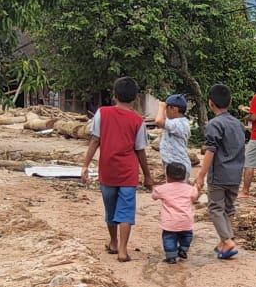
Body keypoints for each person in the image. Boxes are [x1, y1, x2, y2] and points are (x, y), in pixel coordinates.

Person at [80, 76, 153, 263]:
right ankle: (122, 250)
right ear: (136, 98)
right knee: (126, 211)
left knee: (110, 209)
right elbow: (140, 151)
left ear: (114, 95)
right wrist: (147, 175)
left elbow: (95, 140)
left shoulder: (102, 113)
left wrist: (85, 165)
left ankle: (113, 242)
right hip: (128, 172)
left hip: (107, 170)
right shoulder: (138, 121)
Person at [193, 84, 246, 260]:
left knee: (215, 208)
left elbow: (211, 150)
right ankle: (225, 243)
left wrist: (201, 175)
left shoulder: (214, 124)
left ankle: (227, 240)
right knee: (228, 208)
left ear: (210, 103)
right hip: (236, 173)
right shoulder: (238, 124)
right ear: (230, 102)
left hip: (219, 174)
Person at [151, 161, 198, 263]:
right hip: (185, 220)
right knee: (187, 236)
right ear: (185, 176)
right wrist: (195, 186)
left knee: (169, 238)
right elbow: (195, 196)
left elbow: (154, 196)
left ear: (167, 176)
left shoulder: (162, 189)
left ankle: (171, 256)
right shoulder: (189, 189)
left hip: (169, 221)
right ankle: (183, 249)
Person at [154, 93, 191, 178]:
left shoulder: (180, 123)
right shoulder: (174, 121)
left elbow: (158, 121)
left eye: (167, 109)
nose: (165, 111)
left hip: (179, 167)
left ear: (173, 109)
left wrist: (161, 107)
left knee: (177, 190)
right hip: (172, 165)